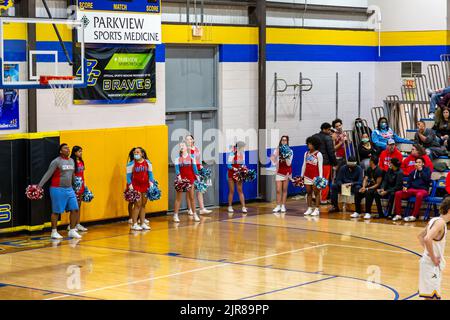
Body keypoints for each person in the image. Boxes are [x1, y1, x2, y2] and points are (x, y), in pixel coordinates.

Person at [38, 143, 81, 240]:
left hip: (69, 189)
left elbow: (72, 174)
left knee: (75, 209)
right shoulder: (56, 162)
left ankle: (72, 230)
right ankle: (54, 231)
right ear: (61, 151)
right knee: (56, 211)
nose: (68, 149)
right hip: (57, 189)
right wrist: (39, 186)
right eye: (65, 148)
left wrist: (76, 186)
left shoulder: (71, 161)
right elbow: (48, 174)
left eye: (68, 148)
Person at [417, 197, 450, 300]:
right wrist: (433, 257)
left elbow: (420, 236)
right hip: (430, 265)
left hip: (428, 264)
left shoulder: (435, 220)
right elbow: (427, 239)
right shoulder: (440, 223)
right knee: (433, 297)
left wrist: (428, 252)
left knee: (430, 297)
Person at [393, 157, 432, 222]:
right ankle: (398, 215)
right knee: (398, 193)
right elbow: (409, 182)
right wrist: (406, 187)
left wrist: (421, 170)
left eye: (419, 162)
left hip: (423, 190)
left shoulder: (427, 170)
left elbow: (427, 180)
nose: (418, 164)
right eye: (416, 162)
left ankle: (414, 216)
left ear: (423, 164)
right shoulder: (413, 171)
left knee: (419, 195)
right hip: (412, 189)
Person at [126, 147, 155, 231]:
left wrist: (151, 184)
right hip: (136, 186)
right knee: (137, 204)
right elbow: (128, 177)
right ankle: (134, 224)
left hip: (145, 185)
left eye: (138, 152)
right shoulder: (131, 164)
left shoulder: (148, 163)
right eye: (135, 153)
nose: (136, 154)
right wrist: (131, 188)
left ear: (142, 154)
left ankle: (142, 223)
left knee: (143, 204)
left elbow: (150, 174)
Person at [173, 141, 201, 223]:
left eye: (183, 145)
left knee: (192, 197)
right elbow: (177, 170)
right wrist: (179, 178)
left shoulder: (192, 158)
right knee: (178, 198)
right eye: (180, 146)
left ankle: (195, 214)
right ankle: (175, 215)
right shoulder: (177, 159)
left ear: (186, 147)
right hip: (181, 180)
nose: (181, 146)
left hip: (190, 180)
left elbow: (195, 169)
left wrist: (198, 178)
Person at [185, 135, 213, 216]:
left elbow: (198, 160)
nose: (189, 140)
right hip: (190, 171)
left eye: (190, 139)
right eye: (187, 139)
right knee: (190, 191)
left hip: (198, 170)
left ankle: (202, 209)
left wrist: (201, 167)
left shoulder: (196, 148)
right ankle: (189, 209)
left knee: (201, 189)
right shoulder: (186, 150)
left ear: (193, 140)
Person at [313, 123, 337, 204]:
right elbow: (331, 152)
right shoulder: (328, 138)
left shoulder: (314, 136)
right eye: (329, 129)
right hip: (325, 163)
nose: (330, 131)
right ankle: (323, 199)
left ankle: (315, 197)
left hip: (315, 162)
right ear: (325, 129)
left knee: (316, 180)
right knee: (324, 180)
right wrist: (335, 163)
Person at [270, 135, 293, 213]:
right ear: (281, 141)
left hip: (287, 171)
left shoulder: (290, 151)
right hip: (279, 171)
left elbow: (289, 164)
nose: (284, 142)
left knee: (284, 189)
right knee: (278, 190)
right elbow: (273, 161)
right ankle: (278, 205)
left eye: (285, 140)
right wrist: (276, 159)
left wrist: (286, 156)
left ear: (287, 142)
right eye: (282, 140)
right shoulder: (277, 150)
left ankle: (283, 205)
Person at [301, 136, 323, 217]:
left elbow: (320, 167)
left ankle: (317, 209)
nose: (309, 145)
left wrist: (320, 178)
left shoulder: (319, 154)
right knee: (309, 192)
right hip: (307, 176)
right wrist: (301, 175)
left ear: (315, 145)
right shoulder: (306, 153)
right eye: (308, 144)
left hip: (315, 177)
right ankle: (309, 208)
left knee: (316, 193)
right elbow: (304, 165)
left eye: (311, 144)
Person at [69, 146, 88, 232]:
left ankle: (77, 224)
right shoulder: (72, 161)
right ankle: (71, 225)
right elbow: (72, 174)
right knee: (74, 205)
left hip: (82, 184)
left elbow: (82, 174)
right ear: (74, 152)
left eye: (81, 151)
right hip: (75, 185)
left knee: (79, 204)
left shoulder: (81, 161)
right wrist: (75, 184)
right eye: (79, 151)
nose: (81, 153)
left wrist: (84, 185)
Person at [227, 141, 248, 214]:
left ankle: (243, 207)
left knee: (240, 190)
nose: (243, 149)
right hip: (231, 174)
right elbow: (228, 165)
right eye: (242, 147)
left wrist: (244, 169)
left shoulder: (242, 154)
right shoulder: (232, 153)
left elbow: (243, 164)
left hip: (238, 174)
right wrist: (235, 169)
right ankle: (229, 206)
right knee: (232, 190)